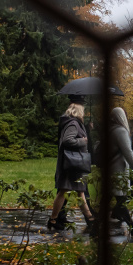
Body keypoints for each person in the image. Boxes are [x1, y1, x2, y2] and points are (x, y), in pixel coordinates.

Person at [47, 98, 96, 233]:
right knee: (65, 191)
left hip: (73, 163)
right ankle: (53, 220)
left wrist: (87, 130)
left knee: (78, 191)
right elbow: (67, 140)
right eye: (83, 110)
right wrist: (82, 141)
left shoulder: (74, 123)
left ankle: (90, 219)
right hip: (72, 163)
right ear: (79, 110)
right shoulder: (73, 123)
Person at [108, 107, 133, 236]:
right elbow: (128, 152)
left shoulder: (110, 130)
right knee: (121, 199)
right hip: (117, 169)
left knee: (118, 199)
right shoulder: (121, 131)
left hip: (111, 168)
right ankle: (132, 227)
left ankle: (117, 218)